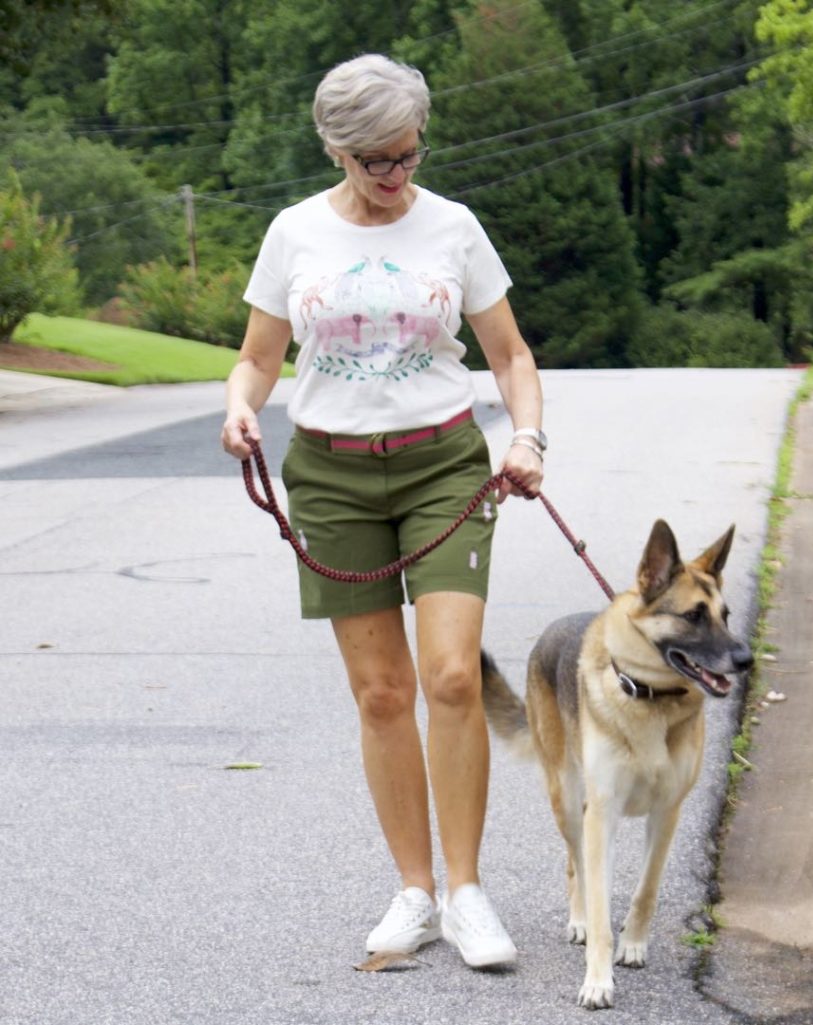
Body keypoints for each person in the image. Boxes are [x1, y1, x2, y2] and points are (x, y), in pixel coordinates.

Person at [221, 53, 544, 968]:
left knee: (449, 677)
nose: (398, 175)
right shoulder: (293, 234)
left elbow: (511, 354)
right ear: (337, 150)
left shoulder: (454, 227)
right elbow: (257, 355)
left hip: (443, 462)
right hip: (330, 475)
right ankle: (415, 891)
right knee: (381, 692)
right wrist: (239, 403)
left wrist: (527, 438)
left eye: (409, 154)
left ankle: (469, 891)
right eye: (378, 162)